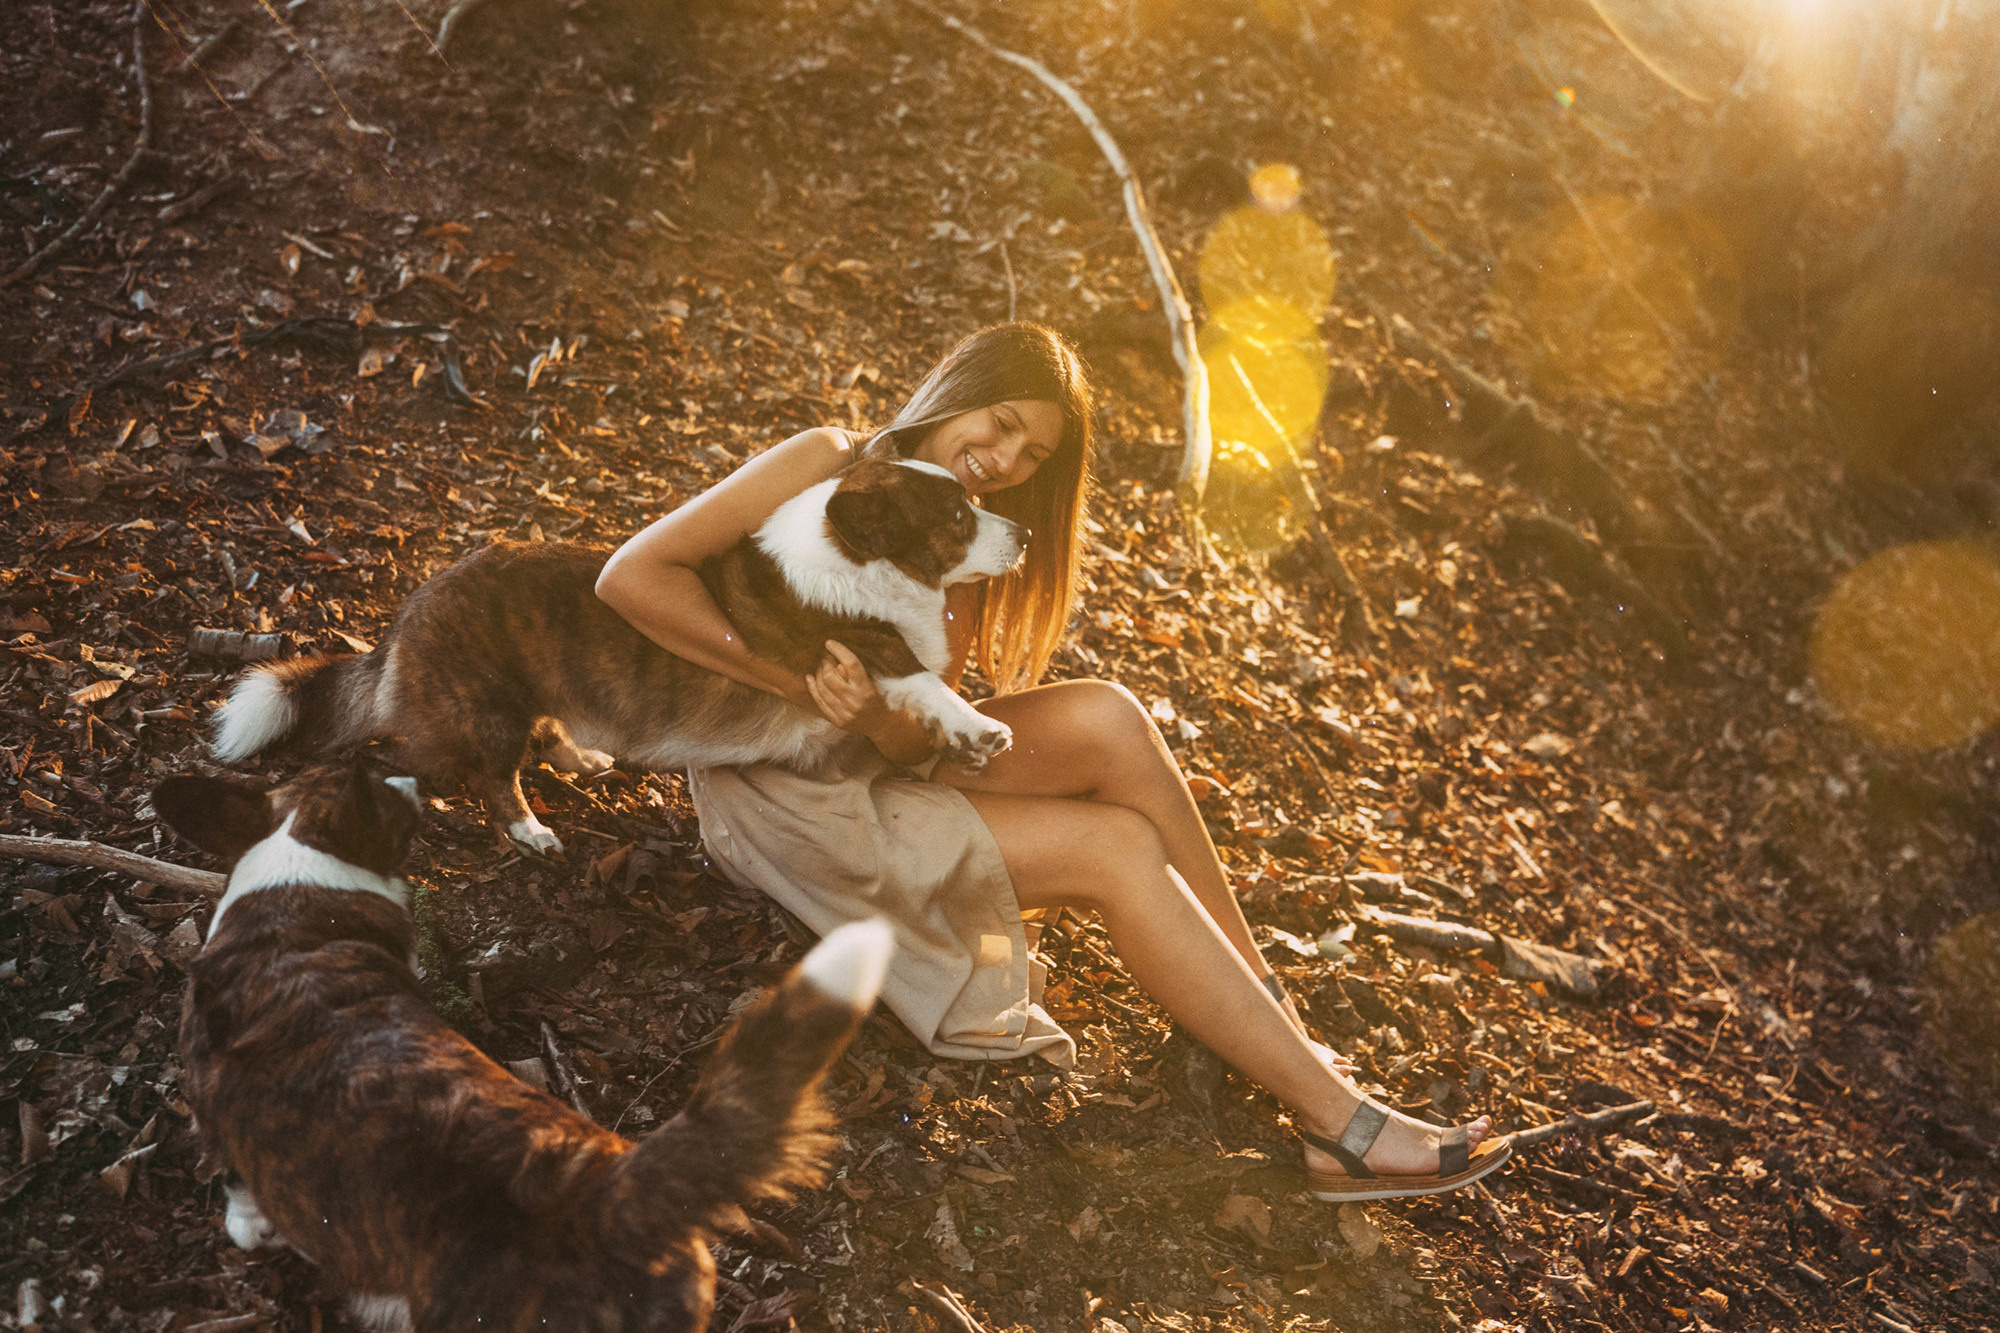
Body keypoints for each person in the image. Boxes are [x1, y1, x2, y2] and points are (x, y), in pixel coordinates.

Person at [596, 323, 1507, 1201]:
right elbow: (631, 576)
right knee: (1114, 848)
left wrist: (873, 709)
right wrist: (792, 677)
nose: (1003, 457)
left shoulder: (963, 532)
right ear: (956, 394)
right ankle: (1338, 1130)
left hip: (867, 758)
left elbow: (907, 736)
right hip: (782, 797)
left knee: (1109, 716)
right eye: (999, 422)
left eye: (1032, 453)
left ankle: (1272, 1013)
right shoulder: (828, 461)